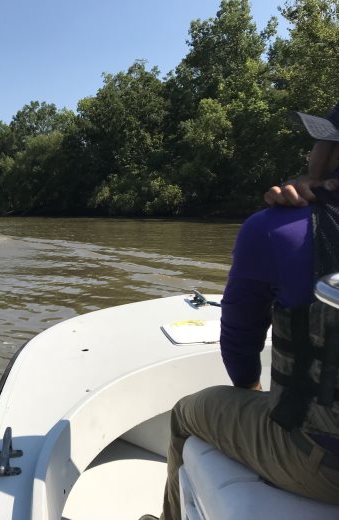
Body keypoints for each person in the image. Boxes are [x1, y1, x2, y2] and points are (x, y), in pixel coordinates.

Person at [142, 104, 339, 520]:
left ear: (330, 155)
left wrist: (254, 395)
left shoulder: (274, 227)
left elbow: (240, 342)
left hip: (326, 467)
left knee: (185, 413)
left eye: (321, 143)